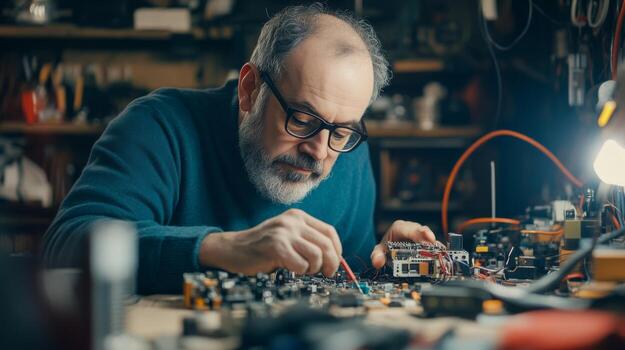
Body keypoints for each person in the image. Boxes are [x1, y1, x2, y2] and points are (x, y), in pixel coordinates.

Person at [42, 3, 436, 294]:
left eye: (342, 131)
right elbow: (66, 245)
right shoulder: (158, 125)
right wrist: (220, 249)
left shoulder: (346, 154)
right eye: (301, 119)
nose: (319, 151)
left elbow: (346, 275)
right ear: (250, 89)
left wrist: (385, 263)